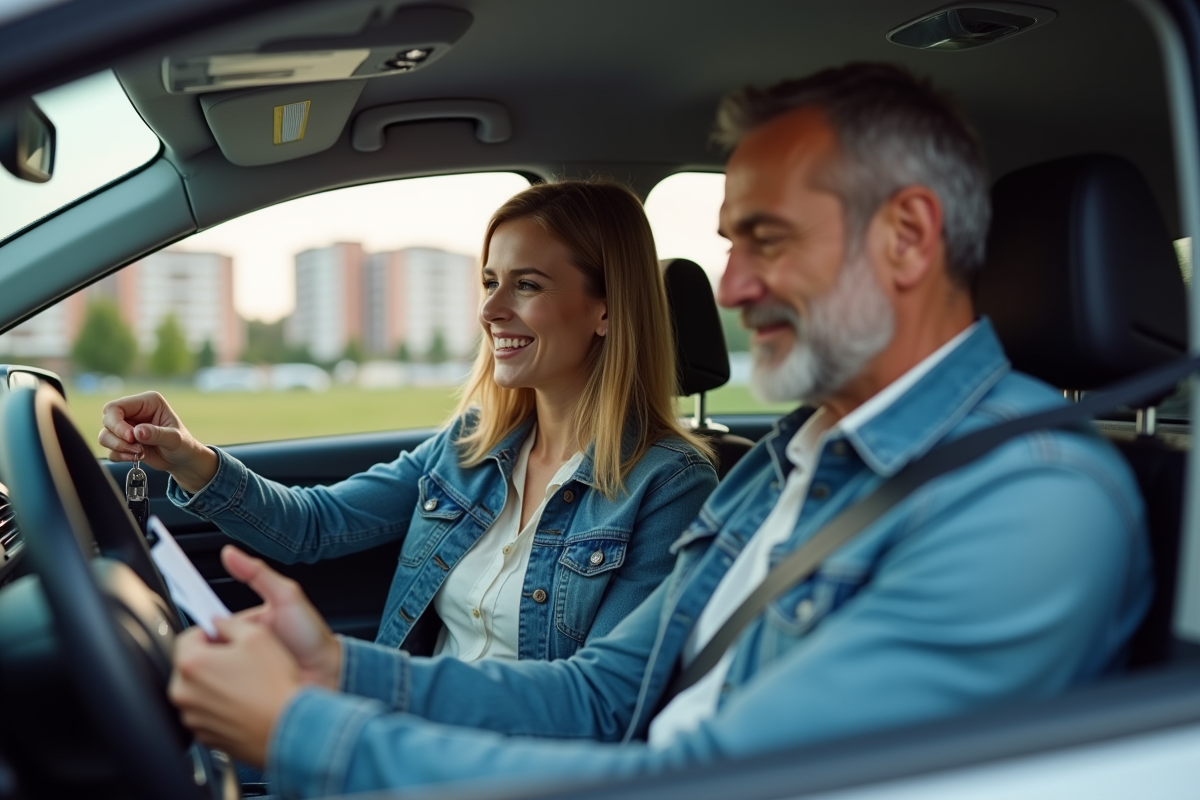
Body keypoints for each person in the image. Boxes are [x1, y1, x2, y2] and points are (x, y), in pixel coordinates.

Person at [168, 63, 1152, 798]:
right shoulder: (786, 462)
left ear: (906, 235)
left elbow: (700, 776)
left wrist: (306, 733)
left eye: (764, 238)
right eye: (730, 245)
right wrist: (341, 668)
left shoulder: (1031, 499)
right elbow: (603, 696)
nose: (729, 290)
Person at [101, 179, 718, 663]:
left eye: (525, 285)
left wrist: (348, 680)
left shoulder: (670, 487)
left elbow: (599, 701)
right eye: (489, 282)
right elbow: (315, 526)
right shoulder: (474, 445)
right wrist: (188, 455)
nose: (490, 310)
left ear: (605, 312)